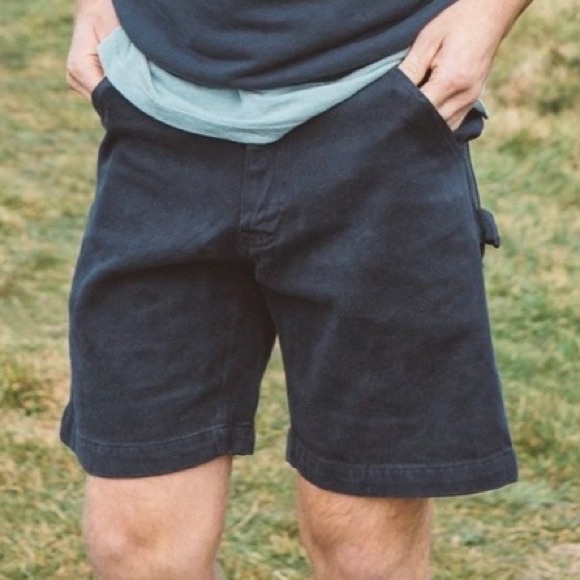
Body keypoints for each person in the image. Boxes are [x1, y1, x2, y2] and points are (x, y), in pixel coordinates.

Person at [61, 0, 531, 577]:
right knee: (134, 545)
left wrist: (486, 15)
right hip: (159, 115)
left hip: (381, 108)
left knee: (362, 549)